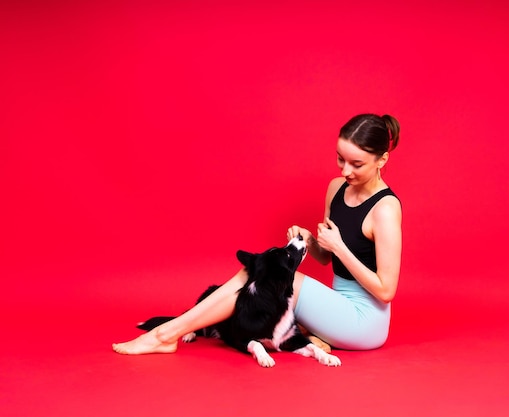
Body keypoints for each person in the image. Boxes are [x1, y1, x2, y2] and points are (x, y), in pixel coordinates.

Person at [112, 113, 402, 354]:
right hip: (337, 306)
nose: (345, 170)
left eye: (357, 164)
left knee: (271, 275)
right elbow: (326, 259)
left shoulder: (385, 208)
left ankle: (166, 335)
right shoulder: (336, 188)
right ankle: (171, 332)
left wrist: (339, 248)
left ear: (382, 159)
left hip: (365, 323)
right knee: (257, 272)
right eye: (341, 159)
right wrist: (312, 242)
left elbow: (386, 290)